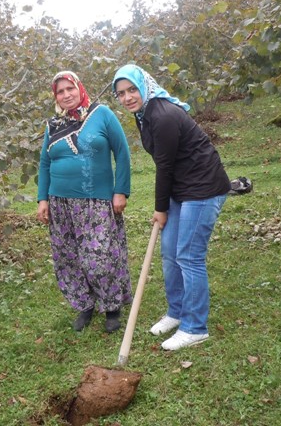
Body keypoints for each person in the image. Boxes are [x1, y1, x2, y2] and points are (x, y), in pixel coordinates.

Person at [112, 64, 230, 351]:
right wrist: (166, 204)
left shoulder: (162, 115)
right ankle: (177, 312)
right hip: (181, 187)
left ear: (144, 85)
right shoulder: (144, 114)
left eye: (131, 90)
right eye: (121, 93)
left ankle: (195, 327)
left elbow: (163, 166)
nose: (127, 97)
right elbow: (165, 163)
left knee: (189, 256)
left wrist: (160, 208)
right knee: (170, 253)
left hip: (203, 188)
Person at [37, 70, 132, 334]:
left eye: (70, 88)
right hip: (60, 202)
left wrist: (120, 190)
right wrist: (42, 198)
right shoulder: (53, 124)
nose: (66, 94)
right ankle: (85, 305)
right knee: (68, 257)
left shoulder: (102, 114)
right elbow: (45, 163)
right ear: (55, 96)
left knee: (99, 257)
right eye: (60, 91)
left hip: (96, 201)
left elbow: (122, 153)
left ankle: (112, 306)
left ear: (80, 88)